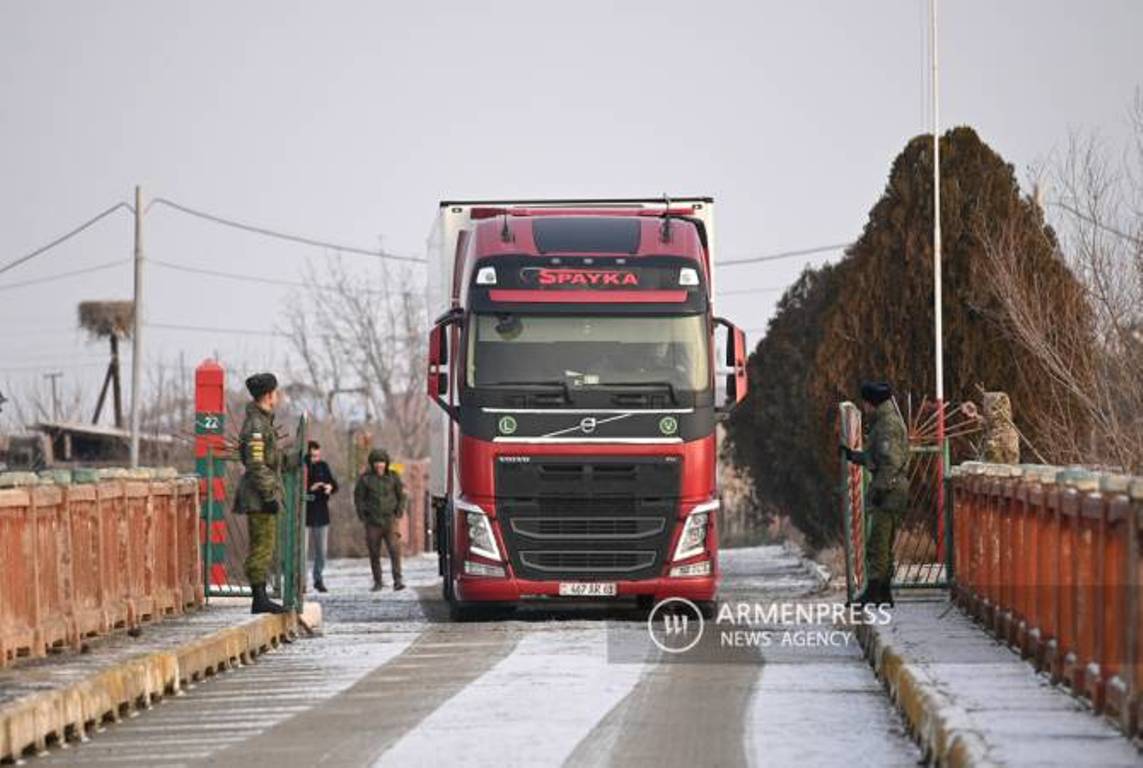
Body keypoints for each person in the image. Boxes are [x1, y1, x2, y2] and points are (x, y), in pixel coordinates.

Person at [841, 381, 909, 607]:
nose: (864, 408)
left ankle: (875, 591)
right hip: (889, 489)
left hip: (889, 491)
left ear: (872, 403)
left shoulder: (888, 425)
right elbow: (877, 457)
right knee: (882, 543)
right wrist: (853, 456)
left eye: (865, 403)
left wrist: (879, 490)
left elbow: (890, 463)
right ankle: (882, 592)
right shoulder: (884, 422)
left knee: (878, 543)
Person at [234, 372, 295, 614]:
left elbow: (270, 458)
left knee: (266, 545)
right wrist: (269, 495)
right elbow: (256, 464)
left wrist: (290, 460)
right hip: (259, 496)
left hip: (263, 493)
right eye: (276, 392)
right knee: (262, 546)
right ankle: (259, 599)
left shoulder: (262, 421)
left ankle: (260, 596)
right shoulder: (256, 426)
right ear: (269, 395)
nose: (278, 396)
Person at [354, 448, 406, 591]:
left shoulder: (393, 477)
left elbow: (401, 496)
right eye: (376, 462)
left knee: (395, 551)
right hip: (372, 522)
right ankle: (378, 581)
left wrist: (399, 511)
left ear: (386, 463)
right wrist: (363, 515)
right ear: (372, 463)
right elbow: (359, 498)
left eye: (382, 462)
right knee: (374, 553)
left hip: (390, 520)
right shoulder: (365, 479)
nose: (379, 465)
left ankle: (398, 580)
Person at [304, 440, 338, 593]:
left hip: (321, 513)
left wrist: (329, 487)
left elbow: (334, 484)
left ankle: (318, 579)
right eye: (312, 456)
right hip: (304, 514)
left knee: (321, 551)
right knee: (302, 551)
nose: (315, 459)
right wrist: (310, 488)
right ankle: (301, 582)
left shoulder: (323, 466)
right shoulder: (302, 467)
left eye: (317, 456)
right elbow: (294, 488)